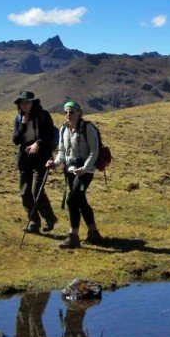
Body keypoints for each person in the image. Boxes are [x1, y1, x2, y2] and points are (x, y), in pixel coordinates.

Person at [46, 101, 103, 249]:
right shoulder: (63, 130)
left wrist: (84, 168)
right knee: (80, 200)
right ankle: (93, 233)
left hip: (86, 171)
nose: (68, 115)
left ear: (79, 113)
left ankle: (73, 236)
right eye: (65, 112)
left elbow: (94, 151)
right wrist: (55, 163)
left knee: (72, 200)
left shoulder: (87, 128)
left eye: (71, 112)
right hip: (70, 170)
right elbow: (62, 152)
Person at [12, 90, 58, 233]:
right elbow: (16, 140)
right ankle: (34, 222)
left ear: (33, 102)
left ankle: (49, 218)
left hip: (42, 158)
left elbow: (49, 134)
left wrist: (38, 143)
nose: (24, 105)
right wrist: (23, 125)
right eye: (21, 103)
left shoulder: (44, 115)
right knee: (25, 192)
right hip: (25, 159)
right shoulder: (19, 118)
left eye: (26, 102)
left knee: (36, 190)